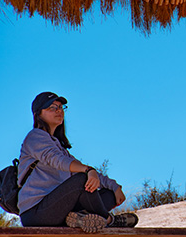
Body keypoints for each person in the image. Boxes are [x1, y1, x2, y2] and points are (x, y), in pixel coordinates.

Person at [18, 92, 139, 233]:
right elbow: (58, 161)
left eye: (61, 107)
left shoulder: (59, 147)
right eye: (52, 107)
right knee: (82, 179)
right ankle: (109, 221)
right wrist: (88, 171)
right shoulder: (35, 137)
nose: (58, 111)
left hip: (60, 209)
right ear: (38, 114)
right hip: (36, 213)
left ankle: (79, 218)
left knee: (109, 194)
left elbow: (71, 163)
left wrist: (115, 186)